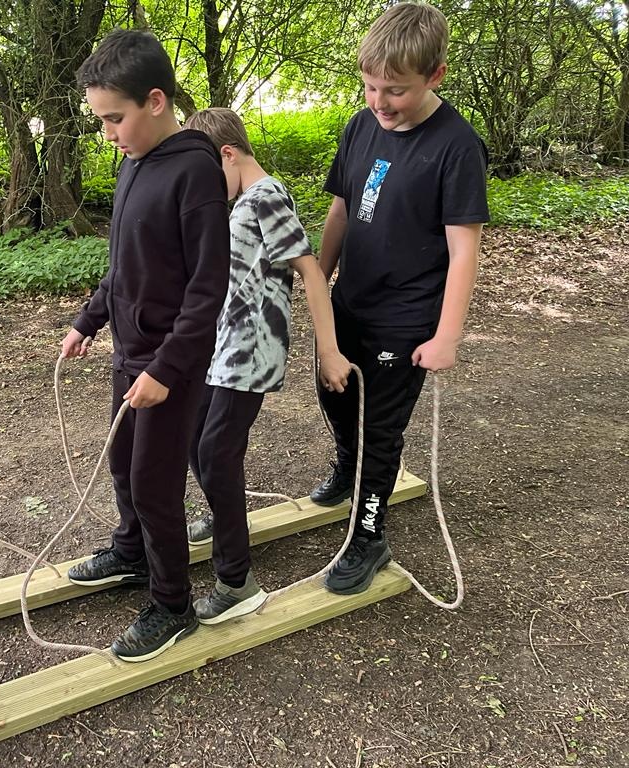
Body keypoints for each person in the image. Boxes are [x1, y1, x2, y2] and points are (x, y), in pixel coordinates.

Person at [61, 29, 230, 662]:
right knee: (123, 464)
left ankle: (172, 604)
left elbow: (208, 288)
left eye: (115, 118)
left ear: (156, 101)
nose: (108, 132)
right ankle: (132, 553)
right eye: (100, 120)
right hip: (129, 354)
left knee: (155, 485)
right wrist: (89, 319)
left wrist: (166, 368)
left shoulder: (196, 172)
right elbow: (124, 264)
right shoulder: (134, 162)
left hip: (170, 367)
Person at [310, 1, 489, 595]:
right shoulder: (361, 126)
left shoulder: (457, 146)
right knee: (334, 393)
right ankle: (348, 467)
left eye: (396, 90)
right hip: (350, 299)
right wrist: (319, 279)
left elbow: (463, 252)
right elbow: (341, 208)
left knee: (380, 430)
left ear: (435, 75)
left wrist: (446, 337)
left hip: (406, 316)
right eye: (370, 87)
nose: (380, 102)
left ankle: (369, 537)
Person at [178, 108, 352, 624]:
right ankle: (224, 517)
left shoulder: (267, 195)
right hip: (222, 344)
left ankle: (237, 582)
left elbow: (312, 273)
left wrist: (329, 350)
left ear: (228, 154)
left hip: (252, 347)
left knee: (216, 452)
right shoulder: (243, 201)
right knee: (195, 437)